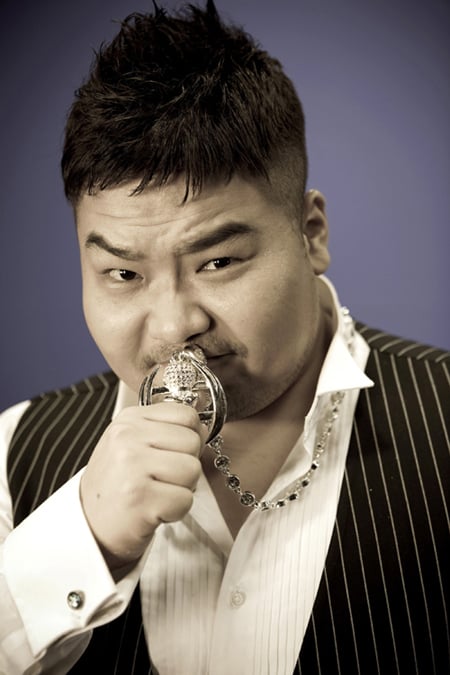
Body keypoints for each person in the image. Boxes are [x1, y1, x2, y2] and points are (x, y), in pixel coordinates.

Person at [0, 1, 448, 673]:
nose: (174, 324)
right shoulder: (14, 451)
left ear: (311, 234)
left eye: (217, 262)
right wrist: (83, 541)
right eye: (123, 273)